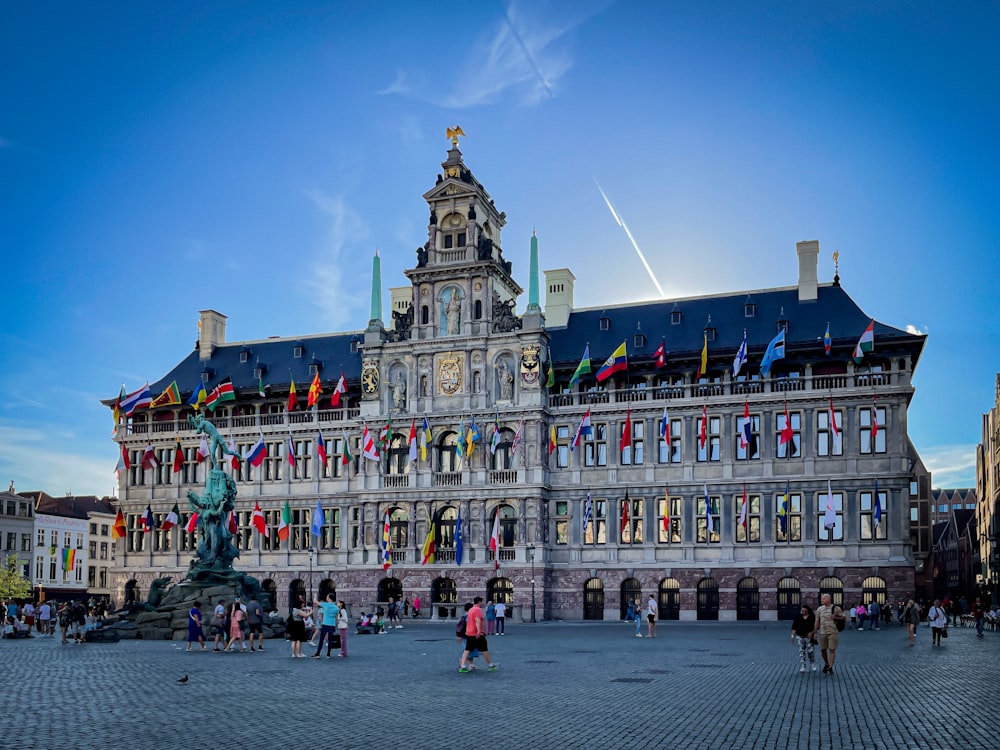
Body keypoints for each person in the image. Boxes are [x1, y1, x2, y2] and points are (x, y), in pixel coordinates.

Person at [458, 597, 497, 673]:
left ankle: (462, 666)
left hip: (469, 633)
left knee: (467, 650)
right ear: (479, 602)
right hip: (477, 633)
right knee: (485, 650)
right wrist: (479, 631)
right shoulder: (477, 610)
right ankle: (490, 665)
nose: (482, 603)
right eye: (481, 602)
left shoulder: (471, 610)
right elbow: (477, 621)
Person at [811, 593, 844, 675]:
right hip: (822, 632)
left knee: (832, 650)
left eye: (824, 598)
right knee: (823, 650)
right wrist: (815, 632)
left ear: (829, 599)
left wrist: (835, 617)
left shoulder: (836, 608)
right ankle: (826, 663)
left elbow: (843, 617)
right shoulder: (819, 609)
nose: (822, 599)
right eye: (822, 598)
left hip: (833, 632)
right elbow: (817, 621)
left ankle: (830, 667)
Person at [791, 604, 818, 673]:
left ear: (807, 611)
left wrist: (812, 633)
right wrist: (792, 636)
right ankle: (803, 666)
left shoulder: (812, 617)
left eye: (804, 611)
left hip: (809, 637)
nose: (802, 612)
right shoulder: (798, 617)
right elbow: (794, 627)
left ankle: (812, 663)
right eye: (802, 611)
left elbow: (815, 626)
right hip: (800, 636)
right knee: (801, 651)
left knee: (810, 651)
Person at [312, 593, 340, 658]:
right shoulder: (336, 607)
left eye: (327, 597)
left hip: (325, 624)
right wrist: (337, 624)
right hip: (332, 624)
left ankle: (318, 654)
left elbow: (315, 601)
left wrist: (315, 596)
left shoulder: (326, 605)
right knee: (330, 639)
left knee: (321, 639)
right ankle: (328, 654)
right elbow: (336, 617)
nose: (326, 598)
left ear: (329, 598)